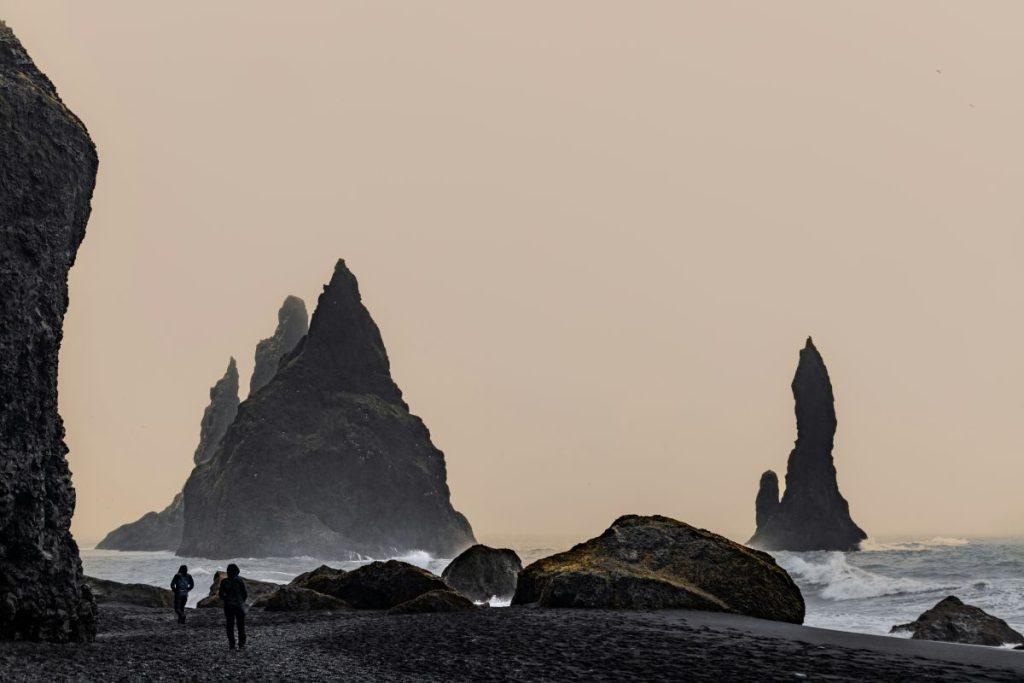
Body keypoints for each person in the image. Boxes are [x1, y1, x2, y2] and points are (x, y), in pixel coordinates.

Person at [218, 563, 248, 650]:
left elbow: (220, 594)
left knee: (230, 625)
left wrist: (226, 599)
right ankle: (241, 644)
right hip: (239, 605)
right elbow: (245, 594)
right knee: (240, 625)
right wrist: (242, 601)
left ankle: (232, 644)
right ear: (237, 571)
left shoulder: (224, 582)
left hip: (228, 606)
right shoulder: (240, 581)